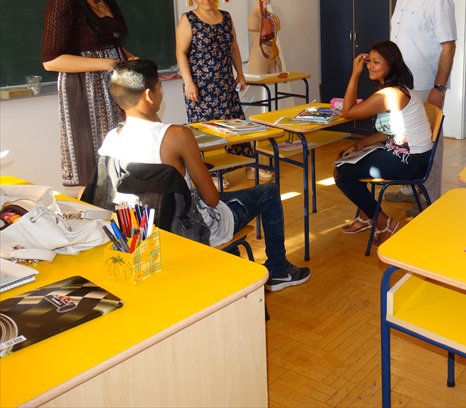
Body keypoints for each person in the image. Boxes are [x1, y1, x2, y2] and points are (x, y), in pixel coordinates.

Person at [97, 59, 310, 291]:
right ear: (149, 95)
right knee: (269, 191)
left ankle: (231, 267)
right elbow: (212, 199)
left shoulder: (111, 139)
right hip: (193, 231)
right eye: (159, 88)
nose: (162, 94)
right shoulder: (177, 136)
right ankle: (279, 271)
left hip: (146, 236)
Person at [42, 0, 137, 188]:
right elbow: (51, 60)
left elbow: (107, 42)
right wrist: (108, 63)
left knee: (121, 168)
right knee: (96, 175)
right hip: (87, 92)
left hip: (114, 87)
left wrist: (128, 57)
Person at [334, 41, 433, 246]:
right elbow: (390, 131)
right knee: (345, 158)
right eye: (369, 61)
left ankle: (384, 223)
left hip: (412, 161)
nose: (370, 66)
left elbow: (348, 111)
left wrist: (355, 74)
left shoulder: (390, 94)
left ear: (391, 64)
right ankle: (366, 216)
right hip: (407, 154)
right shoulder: (397, 89)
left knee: (343, 172)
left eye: (376, 62)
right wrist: (362, 143)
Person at [385, 0, 456, 213]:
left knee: (429, 141)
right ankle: (409, 189)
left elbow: (448, 46)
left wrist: (439, 87)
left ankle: (430, 199)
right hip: (401, 84)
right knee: (406, 138)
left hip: (426, 85)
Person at [176, 0, 251, 188]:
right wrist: (189, 83)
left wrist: (240, 73)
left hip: (225, 82)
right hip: (200, 85)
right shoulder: (188, 19)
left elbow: (233, 47)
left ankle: (248, 165)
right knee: (205, 131)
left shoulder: (225, 17)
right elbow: (181, 53)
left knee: (235, 123)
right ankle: (211, 173)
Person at [247, 0, 283, 74]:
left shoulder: (274, 18)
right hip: (259, 58)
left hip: (274, 56)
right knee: (260, 83)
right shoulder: (254, 17)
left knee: (278, 83)